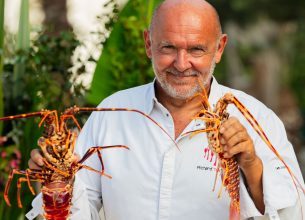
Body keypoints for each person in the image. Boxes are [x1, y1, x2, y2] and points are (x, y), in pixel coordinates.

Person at [27, 0, 305, 219]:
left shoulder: (258, 118)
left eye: (196, 50)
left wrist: (252, 165)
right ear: (149, 44)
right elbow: (77, 210)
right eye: (168, 47)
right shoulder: (111, 113)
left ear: (219, 48)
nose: (182, 64)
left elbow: (294, 214)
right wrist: (56, 180)